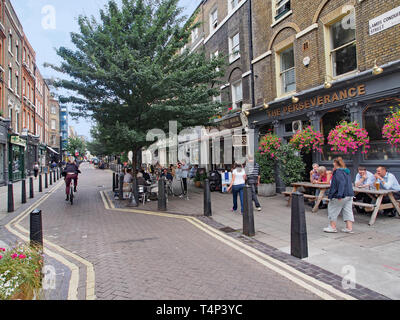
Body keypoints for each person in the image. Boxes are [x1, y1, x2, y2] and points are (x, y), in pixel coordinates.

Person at [324, 157, 355, 234]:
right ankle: (349, 228)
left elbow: (341, 183)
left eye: (333, 164)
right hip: (349, 194)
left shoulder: (338, 172)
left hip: (341, 195)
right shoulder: (346, 172)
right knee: (348, 211)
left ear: (335, 164)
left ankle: (332, 227)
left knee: (333, 209)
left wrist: (340, 195)